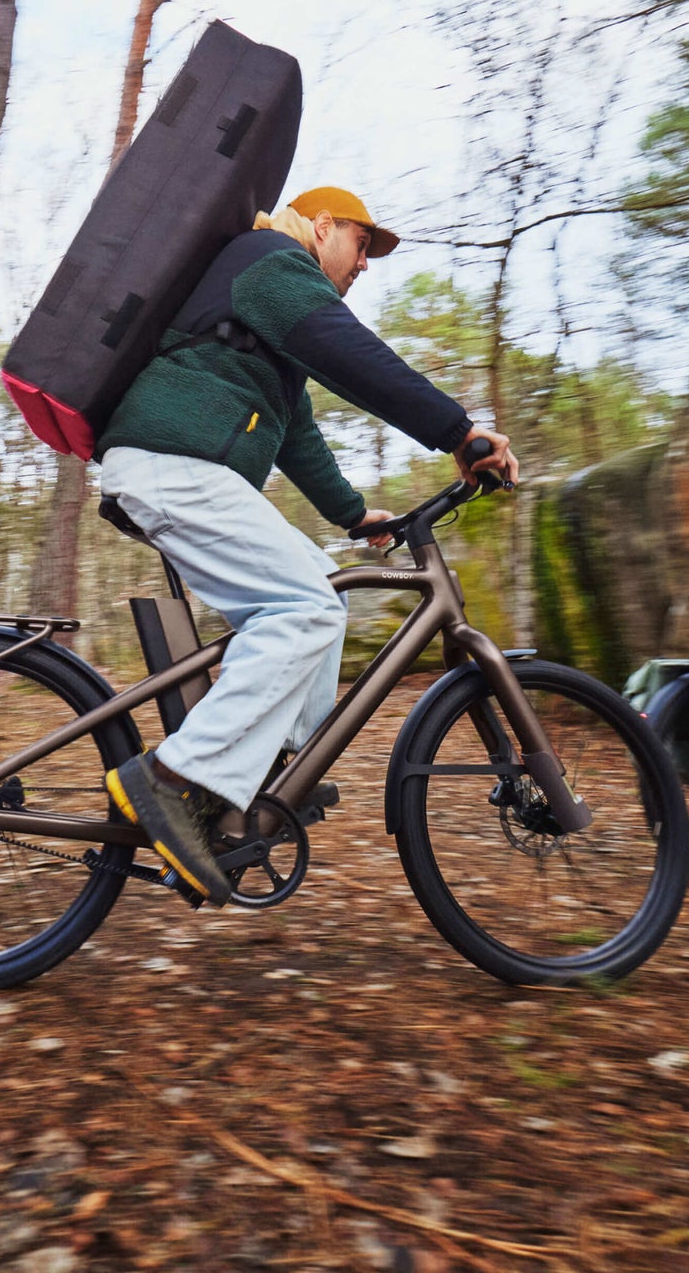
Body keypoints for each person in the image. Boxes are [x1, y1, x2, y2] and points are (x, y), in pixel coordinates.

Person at [96, 186, 518, 904]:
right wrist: (457, 431)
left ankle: (259, 775)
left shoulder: (265, 310)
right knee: (306, 609)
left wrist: (355, 517)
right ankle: (172, 780)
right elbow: (351, 353)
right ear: (321, 228)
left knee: (322, 587)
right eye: (361, 245)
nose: (364, 264)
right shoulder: (268, 260)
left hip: (183, 469)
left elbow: (296, 433)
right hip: (172, 465)